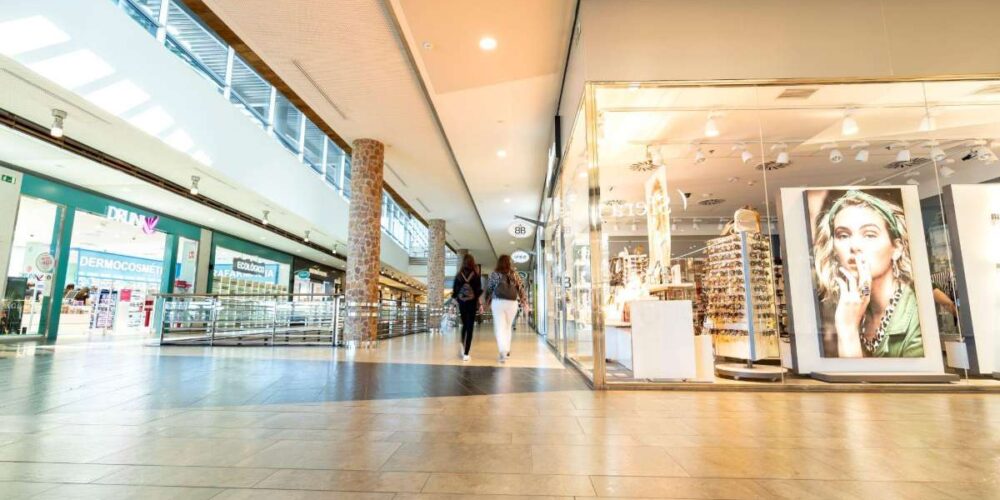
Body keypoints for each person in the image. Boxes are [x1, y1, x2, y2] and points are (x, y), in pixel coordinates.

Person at [813, 190, 923, 358]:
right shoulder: (849, 306)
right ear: (834, 250)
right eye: (843, 235)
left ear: (897, 248)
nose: (855, 246)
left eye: (869, 235)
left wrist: (848, 331)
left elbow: (859, 383)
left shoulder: (918, 318)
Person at [484, 255, 529, 364]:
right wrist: (524, 302)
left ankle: (502, 351)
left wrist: (487, 301)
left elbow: (489, 289)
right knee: (508, 327)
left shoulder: (495, 274)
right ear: (509, 263)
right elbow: (521, 288)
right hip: (512, 303)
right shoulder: (514, 274)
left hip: (498, 302)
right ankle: (506, 350)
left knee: (500, 327)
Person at [451, 253, 482, 361]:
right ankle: (466, 353)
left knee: (464, 325)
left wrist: (454, 301)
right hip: (472, 303)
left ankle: (461, 342)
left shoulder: (459, 275)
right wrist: (479, 303)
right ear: (472, 262)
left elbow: (455, 291)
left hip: (462, 303)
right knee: (470, 327)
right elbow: (478, 291)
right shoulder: (476, 275)